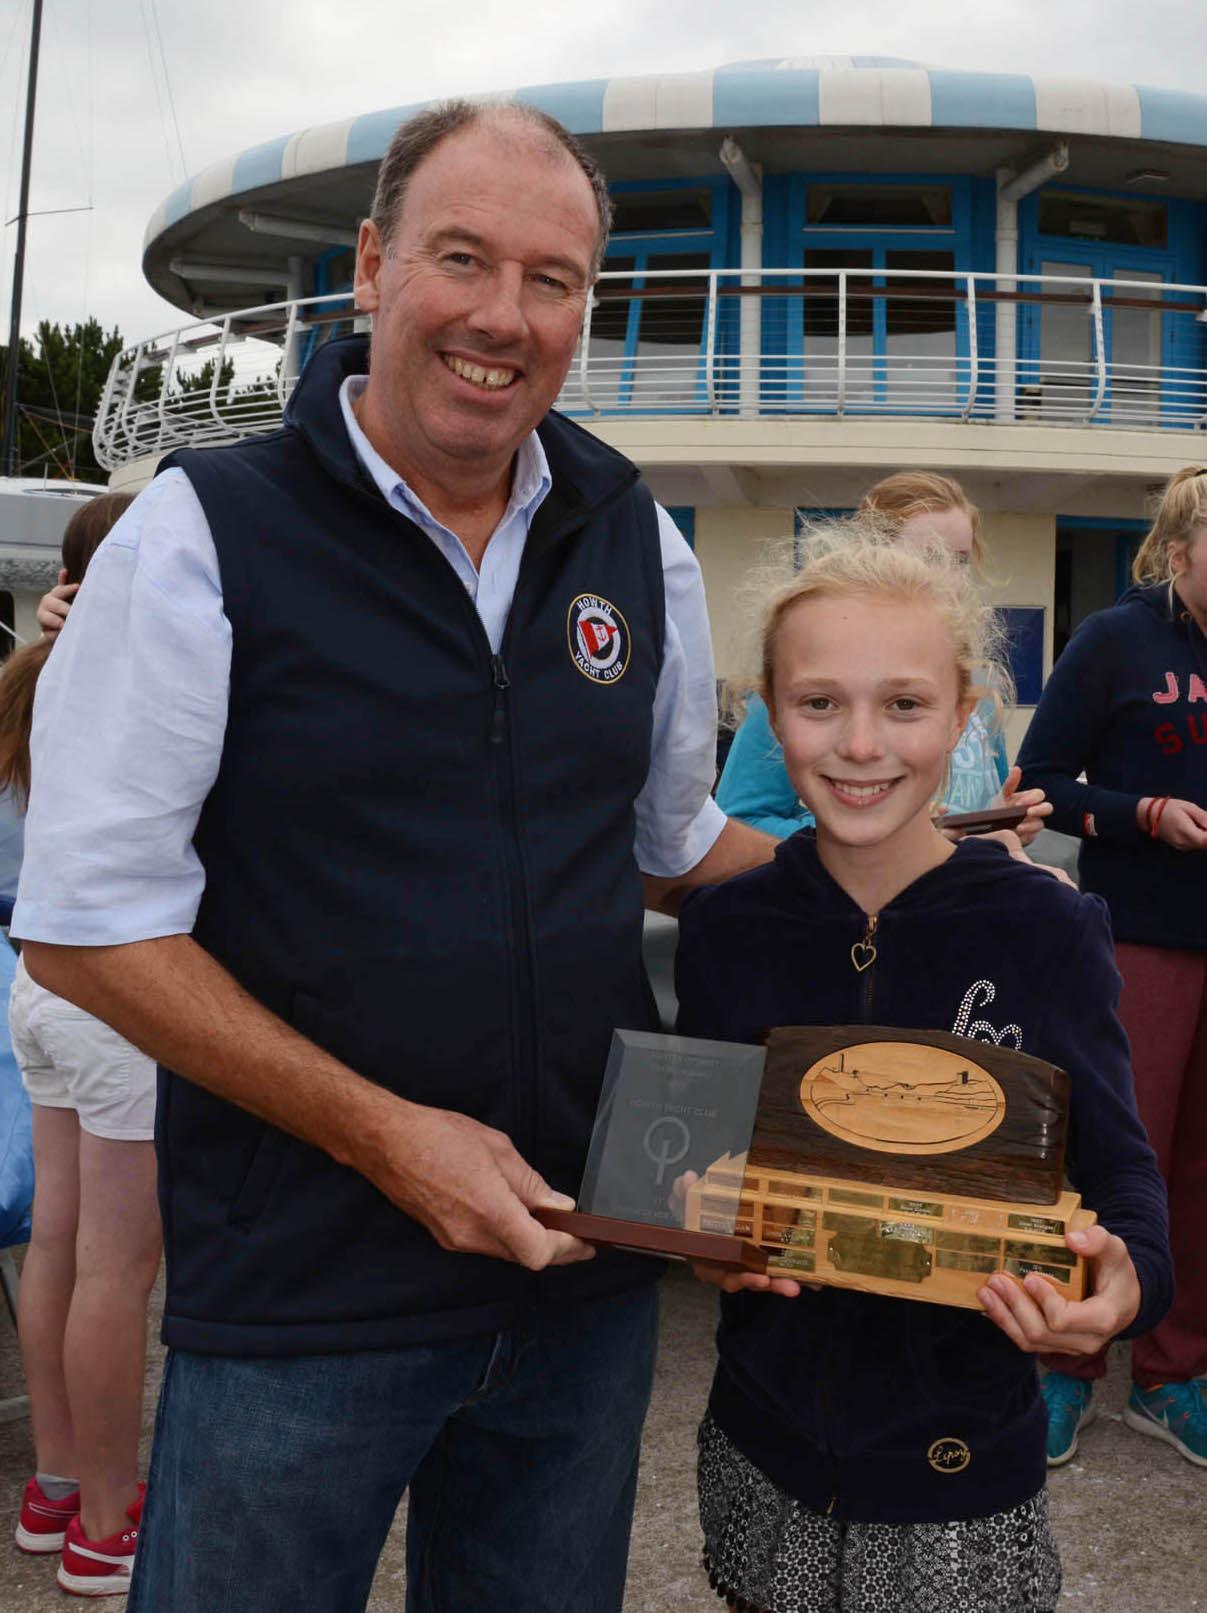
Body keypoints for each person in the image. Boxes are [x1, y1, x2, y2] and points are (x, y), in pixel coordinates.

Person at [10, 102, 774, 1613]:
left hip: (579, 1275)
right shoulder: (203, 531)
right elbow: (86, 926)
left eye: (551, 280)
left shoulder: (636, 536)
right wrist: (382, 1135)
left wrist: (938, 895)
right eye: (462, 259)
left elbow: (672, 846)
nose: (504, 317)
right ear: (371, 266)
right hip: (305, 1294)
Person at [674, 525, 1171, 1613]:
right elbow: (701, 1156)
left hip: (963, 1464)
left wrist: (1127, 1281)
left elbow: (1123, 1169)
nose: (860, 743)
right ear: (767, 713)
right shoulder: (723, 928)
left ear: (962, 715)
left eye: (903, 703)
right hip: (762, 1441)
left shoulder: (1046, 927)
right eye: (817, 702)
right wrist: (696, 1224)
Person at [1018, 465, 1207, 1468]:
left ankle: (1172, 1377)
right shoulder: (1112, 639)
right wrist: (1143, 812)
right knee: (1111, 1156)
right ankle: (1065, 1362)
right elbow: (1041, 782)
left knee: (1202, 1169)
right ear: (1178, 552)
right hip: (1141, 937)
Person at [0, 492, 159, 1597]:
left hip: (38, 978)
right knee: (117, 1263)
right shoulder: (132, 676)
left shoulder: (30, 677)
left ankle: (56, 1485)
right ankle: (108, 1521)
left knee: (57, 1246)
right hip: (118, 992)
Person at [716, 472, 1048, 843]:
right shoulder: (807, 680)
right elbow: (740, 818)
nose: (949, 578)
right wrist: (883, 837)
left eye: (960, 560)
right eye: (929, 555)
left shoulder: (981, 688)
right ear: (870, 554)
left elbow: (973, 815)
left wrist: (999, 818)